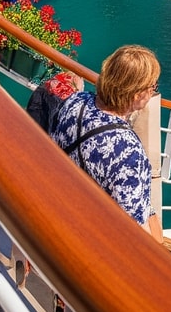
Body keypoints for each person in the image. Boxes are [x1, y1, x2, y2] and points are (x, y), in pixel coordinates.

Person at [51, 45, 159, 232]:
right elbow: (132, 228)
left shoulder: (76, 101)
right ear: (136, 95)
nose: (153, 92)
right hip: (93, 234)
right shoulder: (127, 150)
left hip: (62, 208)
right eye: (152, 87)